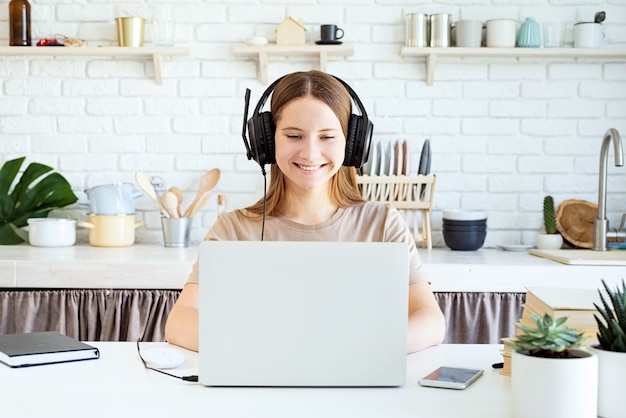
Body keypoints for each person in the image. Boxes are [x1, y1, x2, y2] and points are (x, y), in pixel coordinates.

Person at [164, 70, 445, 353]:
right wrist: (265, 347)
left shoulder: (382, 223)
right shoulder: (233, 230)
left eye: (327, 137)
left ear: (351, 144)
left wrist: (364, 348)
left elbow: (431, 320)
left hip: (357, 384)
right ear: (267, 143)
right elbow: (179, 321)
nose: (310, 153)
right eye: (294, 135)